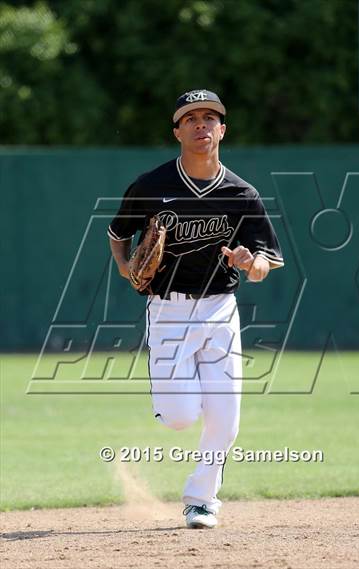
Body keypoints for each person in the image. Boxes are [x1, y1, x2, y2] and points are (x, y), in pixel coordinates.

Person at [108, 89, 284, 529]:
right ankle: (184, 400)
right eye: (192, 119)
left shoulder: (241, 193)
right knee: (180, 418)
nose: (201, 125)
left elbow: (267, 260)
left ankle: (201, 500)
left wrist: (252, 263)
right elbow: (118, 232)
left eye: (210, 118)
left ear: (222, 130)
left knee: (226, 422)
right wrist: (126, 266)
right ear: (178, 131)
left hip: (220, 310)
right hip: (167, 311)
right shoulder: (152, 185)